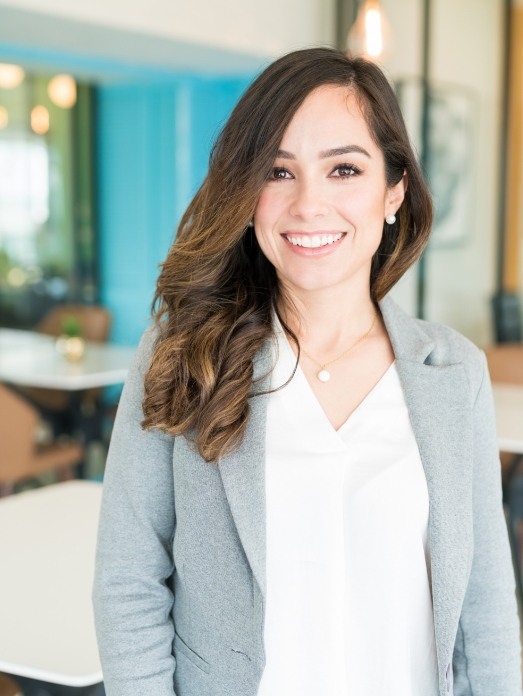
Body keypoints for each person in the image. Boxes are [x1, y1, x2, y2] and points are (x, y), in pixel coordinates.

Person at [92, 47, 522, 696]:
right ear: (246, 193)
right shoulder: (183, 354)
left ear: (393, 190)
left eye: (343, 169)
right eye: (278, 172)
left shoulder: (452, 372)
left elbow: (485, 611)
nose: (308, 206)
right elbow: (128, 582)